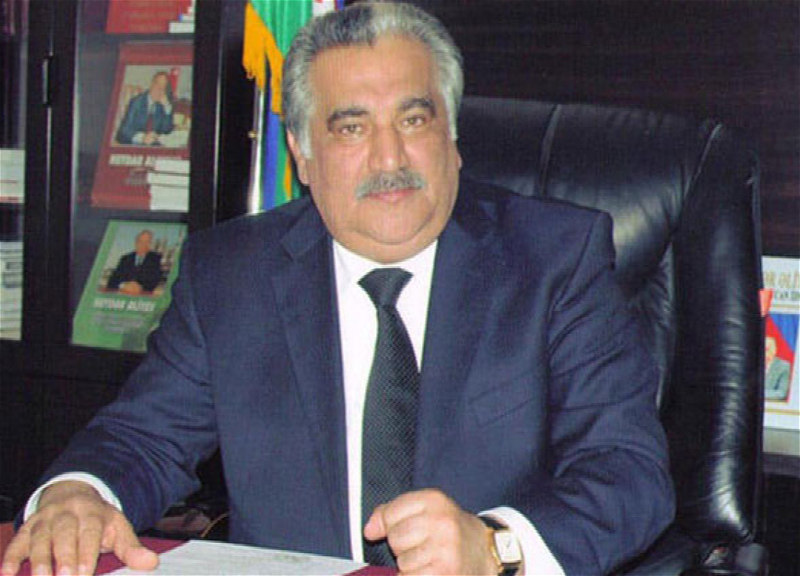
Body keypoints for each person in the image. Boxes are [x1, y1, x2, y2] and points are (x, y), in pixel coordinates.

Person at [1, 3, 674, 576]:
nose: (389, 158)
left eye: (413, 120)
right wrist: (77, 493)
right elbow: (142, 438)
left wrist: (498, 546)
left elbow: (627, 472)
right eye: (351, 127)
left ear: (452, 135)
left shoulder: (553, 260)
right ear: (301, 153)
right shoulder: (230, 275)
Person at [115, 71, 174, 146]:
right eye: (158, 84)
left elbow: (166, 130)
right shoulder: (137, 102)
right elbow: (123, 132)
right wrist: (142, 138)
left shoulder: (161, 105)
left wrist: (167, 108)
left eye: (163, 86)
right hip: (134, 145)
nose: (160, 89)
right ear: (151, 84)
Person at [105, 230, 163, 296]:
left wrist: (140, 287)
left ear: (150, 244)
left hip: (143, 296)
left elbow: (155, 279)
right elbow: (113, 280)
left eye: (147, 242)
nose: (144, 245)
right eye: (141, 241)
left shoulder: (155, 259)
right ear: (136, 242)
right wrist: (123, 285)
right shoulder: (125, 259)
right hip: (123, 294)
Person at [764, 336, 791, 401]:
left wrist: (757, 394)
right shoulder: (751, 364)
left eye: (766, 350)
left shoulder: (783, 366)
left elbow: (781, 393)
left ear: (773, 351)